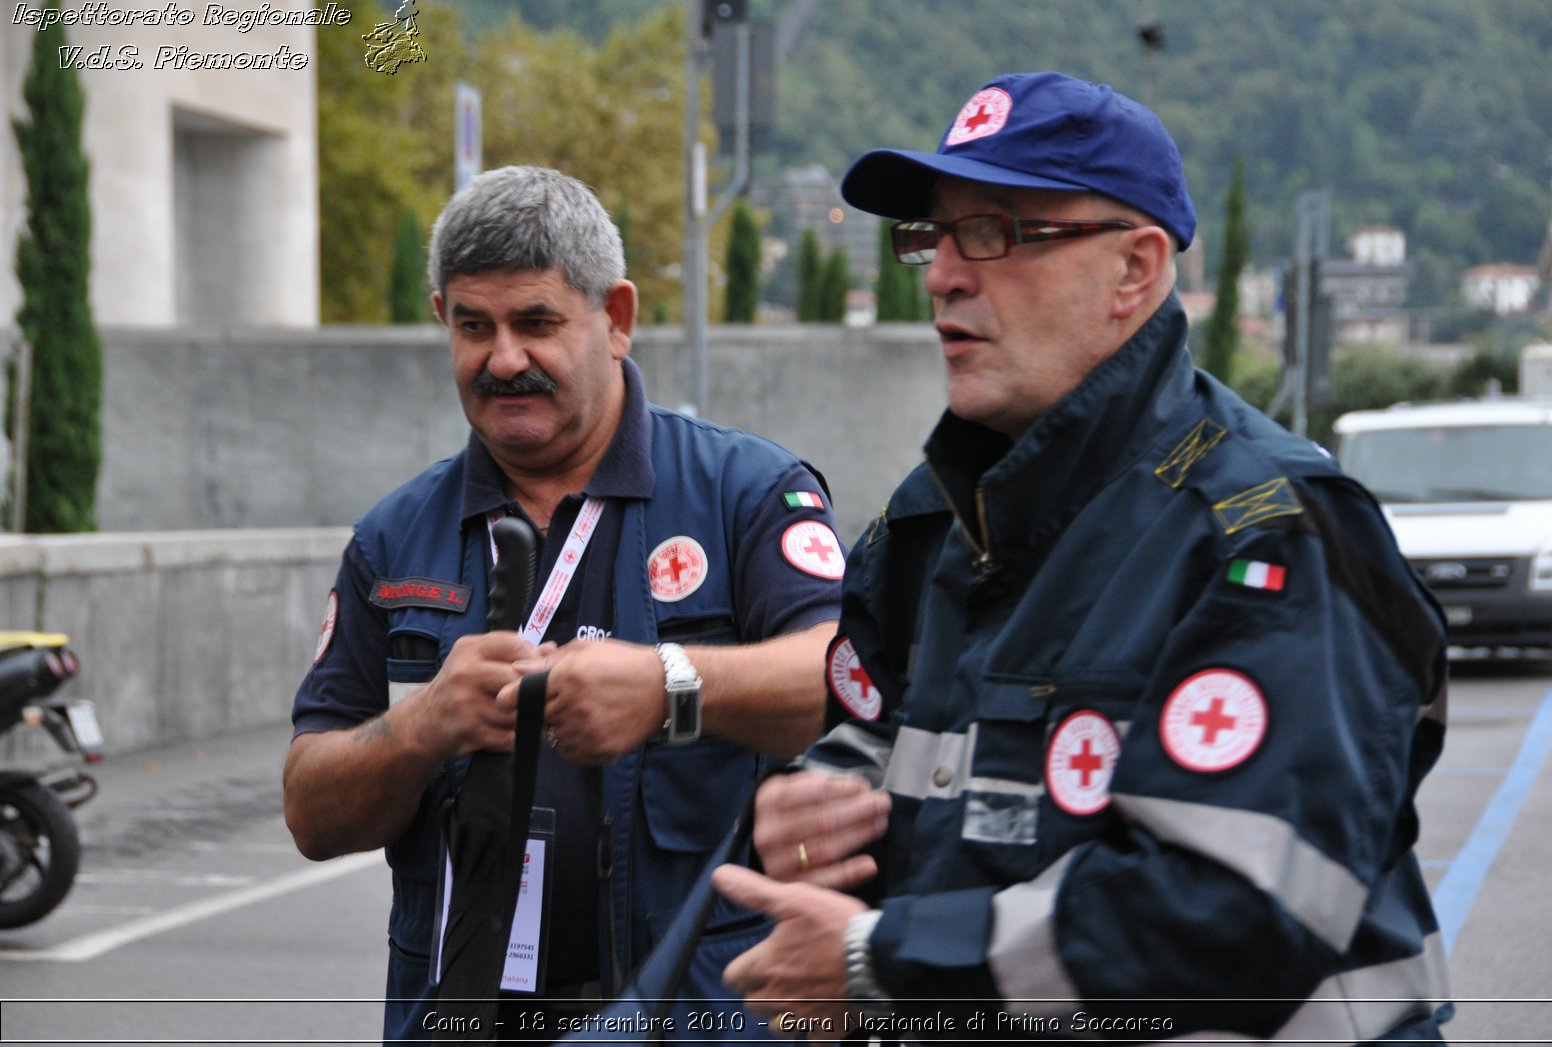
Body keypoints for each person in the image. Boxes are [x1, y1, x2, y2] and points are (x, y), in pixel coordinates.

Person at [714, 72, 1453, 1043]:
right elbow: (863, 754)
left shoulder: (1270, 531)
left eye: (994, 231)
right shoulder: (928, 520)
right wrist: (802, 825)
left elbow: (1238, 911)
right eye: (930, 236)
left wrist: (881, 964)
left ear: (1135, 272)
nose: (941, 272)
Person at [283, 165, 845, 1044]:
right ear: (443, 322)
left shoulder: (745, 492)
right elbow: (312, 811)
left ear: (615, 319)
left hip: (690, 1019)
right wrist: (424, 722)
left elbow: (843, 674)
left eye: (536, 322)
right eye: (474, 326)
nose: (503, 358)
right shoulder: (393, 540)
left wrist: (670, 684)